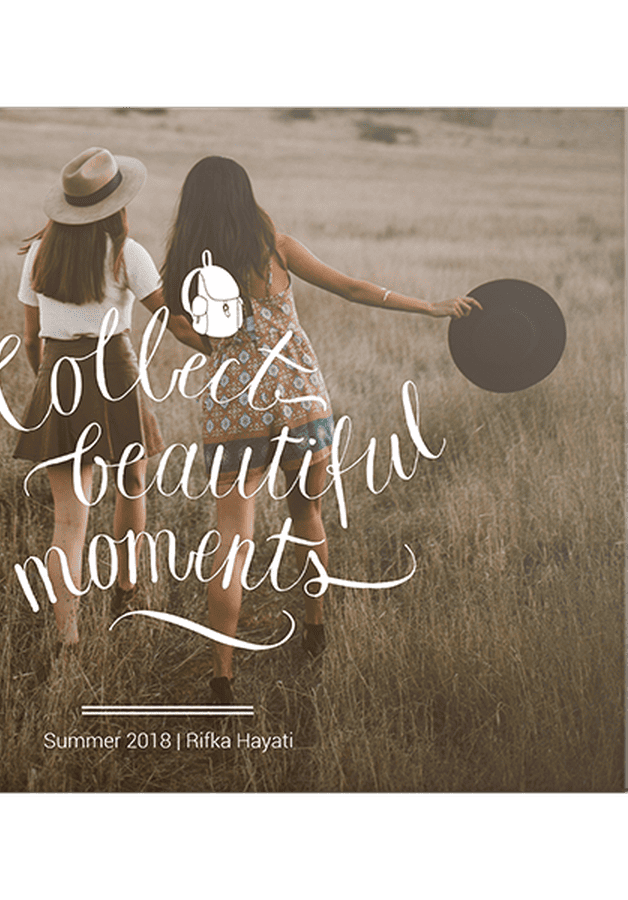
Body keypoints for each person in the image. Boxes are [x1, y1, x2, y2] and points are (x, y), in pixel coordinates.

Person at [160, 156, 480, 704]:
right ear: (245, 195)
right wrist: (428, 306)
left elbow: (179, 324)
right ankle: (314, 628)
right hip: (299, 400)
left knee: (233, 542)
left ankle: (222, 678)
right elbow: (352, 288)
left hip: (232, 408)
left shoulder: (184, 264)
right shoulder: (275, 246)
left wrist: (220, 351)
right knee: (307, 514)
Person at [13, 147, 204, 658]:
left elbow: (30, 338)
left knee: (69, 523)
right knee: (132, 483)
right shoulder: (127, 253)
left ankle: (67, 637)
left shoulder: (40, 253)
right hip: (114, 373)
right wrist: (221, 347)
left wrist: (50, 385)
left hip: (58, 375)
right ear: (115, 204)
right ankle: (124, 588)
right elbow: (174, 323)